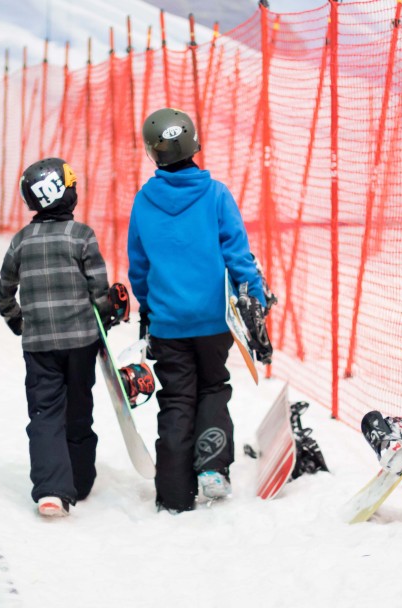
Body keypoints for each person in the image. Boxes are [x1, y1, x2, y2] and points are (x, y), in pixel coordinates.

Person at [127, 108, 268, 513]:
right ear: (193, 143)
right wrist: (252, 299)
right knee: (212, 388)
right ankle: (211, 468)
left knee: (176, 400)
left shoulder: (144, 200)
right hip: (213, 321)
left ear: (154, 153)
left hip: (169, 323)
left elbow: (139, 266)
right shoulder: (216, 195)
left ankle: (172, 493)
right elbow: (238, 257)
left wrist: (149, 307)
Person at [0, 157, 115, 517]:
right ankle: (79, 479)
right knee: (78, 407)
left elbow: (3, 290)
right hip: (81, 342)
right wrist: (105, 318)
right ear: (67, 194)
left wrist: (18, 321)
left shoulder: (21, 242)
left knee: (45, 412)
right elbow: (99, 289)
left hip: (39, 346)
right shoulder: (82, 236)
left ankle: (51, 491)